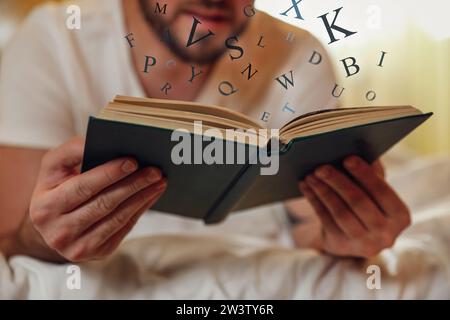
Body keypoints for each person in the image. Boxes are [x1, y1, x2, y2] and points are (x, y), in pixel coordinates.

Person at [0, 0, 410, 263]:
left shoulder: (300, 55)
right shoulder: (53, 41)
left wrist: (349, 235)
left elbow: (307, 224)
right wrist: (45, 236)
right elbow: (12, 237)